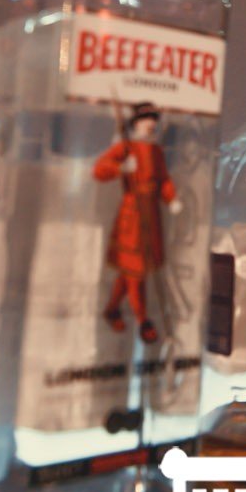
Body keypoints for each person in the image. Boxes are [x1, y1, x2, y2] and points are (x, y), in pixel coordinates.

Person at [94, 103, 182, 343]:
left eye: (153, 119)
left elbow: (163, 179)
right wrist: (121, 167)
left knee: (131, 270)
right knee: (135, 271)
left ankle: (112, 309)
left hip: (151, 213)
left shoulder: (156, 151)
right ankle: (143, 320)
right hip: (132, 214)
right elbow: (99, 169)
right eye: (145, 119)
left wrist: (171, 198)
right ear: (136, 123)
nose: (150, 123)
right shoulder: (125, 147)